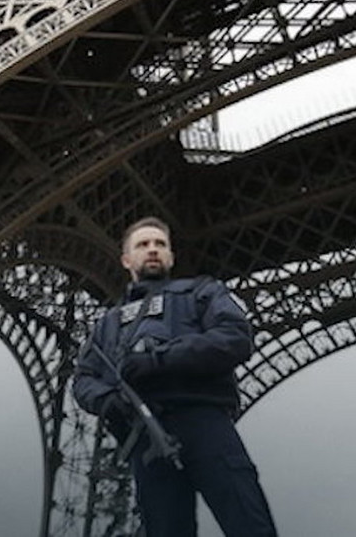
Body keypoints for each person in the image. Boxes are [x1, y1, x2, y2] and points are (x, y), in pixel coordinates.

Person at [72, 217, 277, 536]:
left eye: (160, 244)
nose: (152, 250)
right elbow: (84, 379)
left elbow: (235, 338)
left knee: (248, 522)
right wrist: (109, 401)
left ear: (171, 256)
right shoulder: (107, 324)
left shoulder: (201, 291)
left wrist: (159, 359)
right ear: (127, 259)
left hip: (204, 422)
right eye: (143, 245)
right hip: (146, 433)